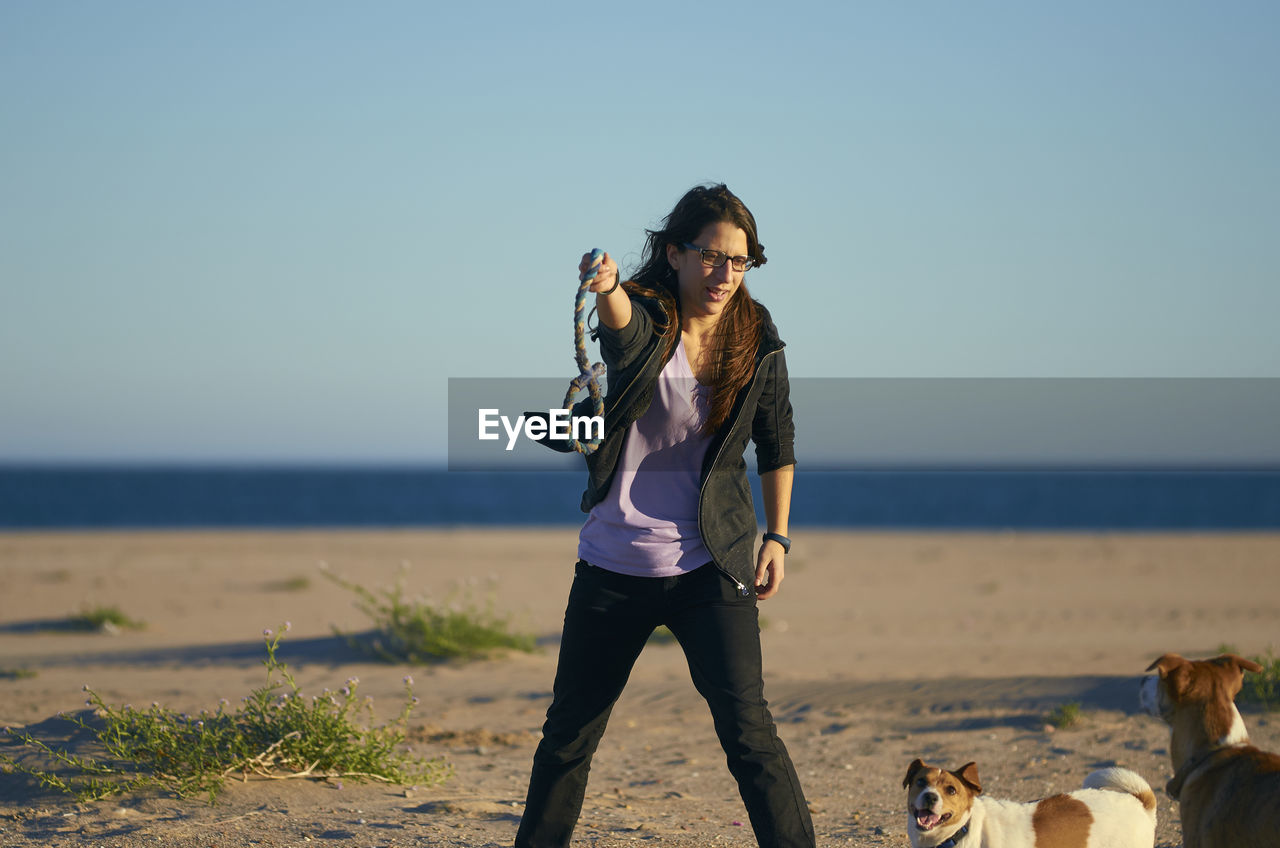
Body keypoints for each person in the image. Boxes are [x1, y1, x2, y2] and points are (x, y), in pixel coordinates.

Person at [515, 184, 813, 848]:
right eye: (711, 257)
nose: (725, 274)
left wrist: (779, 537)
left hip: (712, 563)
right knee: (568, 739)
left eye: (739, 262)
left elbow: (778, 440)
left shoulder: (758, 339)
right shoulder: (650, 317)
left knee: (749, 733)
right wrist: (609, 286)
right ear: (675, 254)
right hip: (613, 568)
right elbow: (625, 337)